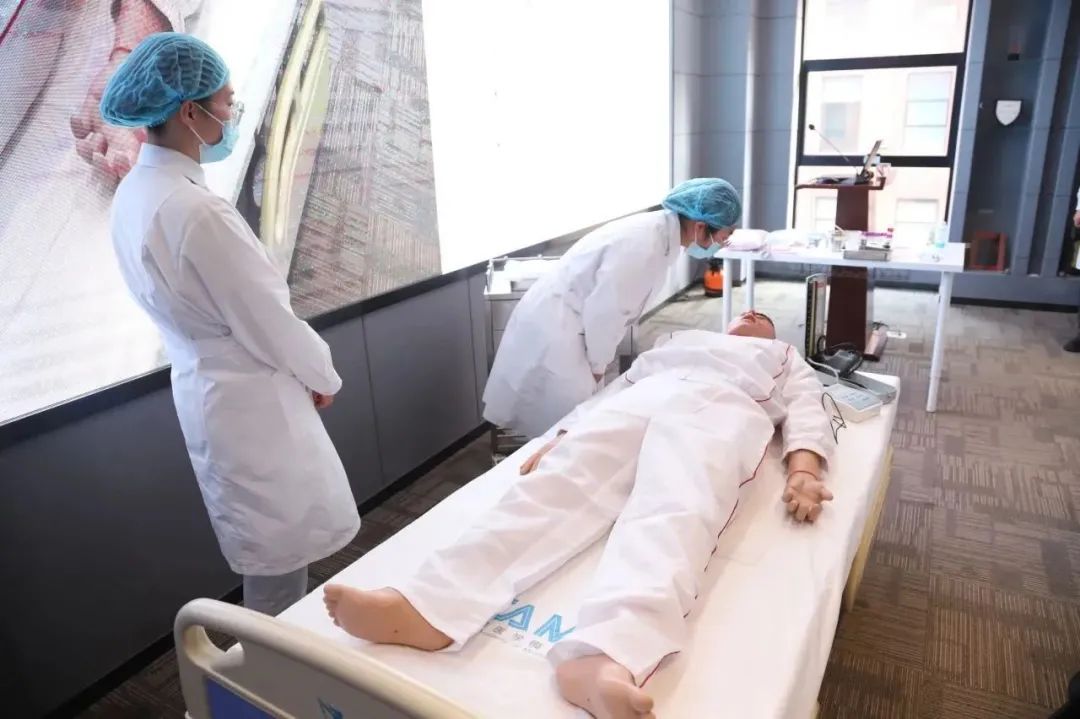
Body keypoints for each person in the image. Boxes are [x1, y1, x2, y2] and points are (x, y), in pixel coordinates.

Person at [324, 312, 834, 719]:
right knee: (554, 486)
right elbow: (615, 389)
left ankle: (605, 656)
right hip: (645, 397)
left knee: (675, 509)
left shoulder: (782, 356)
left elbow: (807, 405)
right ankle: (428, 607)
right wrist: (564, 436)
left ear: (773, 335)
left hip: (723, 407)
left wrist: (804, 469)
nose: (752, 314)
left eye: (763, 317)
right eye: (746, 312)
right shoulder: (678, 340)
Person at [101, 33, 360, 615]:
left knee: (268, 551)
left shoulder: (136, 192)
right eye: (226, 101)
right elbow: (268, 320)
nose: (233, 112)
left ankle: (273, 655)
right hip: (251, 401)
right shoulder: (197, 212)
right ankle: (272, 664)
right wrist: (323, 376)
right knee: (277, 566)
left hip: (213, 394)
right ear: (189, 113)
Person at [482, 178, 743, 440]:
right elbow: (606, 313)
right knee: (565, 429)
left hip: (569, 323)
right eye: (725, 235)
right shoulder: (645, 245)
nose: (723, 243)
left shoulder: (658, 235)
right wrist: (598, 366)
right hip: (560, 330)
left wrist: (599, 364)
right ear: (700, 226)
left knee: (567, 426)